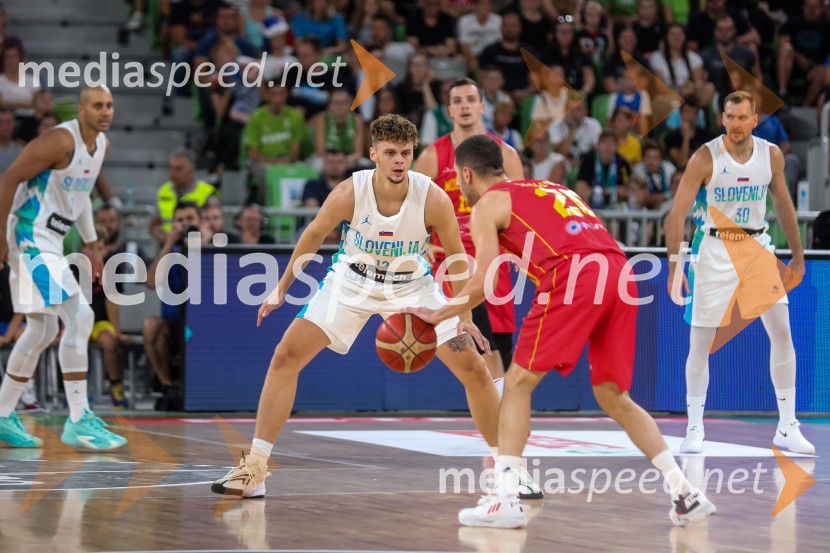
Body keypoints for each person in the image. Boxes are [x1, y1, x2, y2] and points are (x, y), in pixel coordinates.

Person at [211, 114, 536, 499]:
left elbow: (457, 256)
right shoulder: (351, 191)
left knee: (475, 370)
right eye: (390, 153)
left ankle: (510, 470)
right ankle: (256, 469)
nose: (399, 160)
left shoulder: (431, 196)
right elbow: (313, 234)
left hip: (412, 284)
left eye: (405, 153)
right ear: (373, 154)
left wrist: (464, 313)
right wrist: (282, 288)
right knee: (285, 355)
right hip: (352, 280)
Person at [408, 134, 716, 528]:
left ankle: (505, 498)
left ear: (466, 174)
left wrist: (443, 312)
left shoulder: (488, 203)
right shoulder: (552, 186)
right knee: (614, 395)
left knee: (516, 383)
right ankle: (685, 492)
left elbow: (484, 278)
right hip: (620, 272)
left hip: (575, 275)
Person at [665, 91, 814, 456]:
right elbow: (677, 213)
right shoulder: (705, 156)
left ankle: (786, 425)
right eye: (729, 117)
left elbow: (782, 202)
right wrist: (675, 264)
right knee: (701, 341)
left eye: (741, 117)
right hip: (713, 248)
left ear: (755, 118)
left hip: (758, 247)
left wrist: (797, 253)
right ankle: (695, 428)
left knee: (781, 331)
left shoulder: (771, 155)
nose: (735, 124)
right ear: (723, 119)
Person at [0, 85, 127, 450]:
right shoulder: (59, 141)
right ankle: (78, 418)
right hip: (28, 236)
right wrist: (0, 239)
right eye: (98, 106)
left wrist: (91, 244)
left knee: (42, 329)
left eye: (110, 105)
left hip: (51, 241)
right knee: (81, 316)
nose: (106, 111)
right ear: (81, 110)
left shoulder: (100, 145)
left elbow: (81, 195)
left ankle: (4, 413)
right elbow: (8, 179)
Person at [413, 78, 525, 385]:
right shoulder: (432, 155)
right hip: (453, 262)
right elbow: (412, 206)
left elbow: (522, 207)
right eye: (457, 101)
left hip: (494, 255)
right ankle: (497, 412)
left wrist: (518, 251)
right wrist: (421, 244)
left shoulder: (506, 153)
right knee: (475, 342)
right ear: (449, 110)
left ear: (481, 106)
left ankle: (501, 410)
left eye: (469, 100)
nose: (464, 106)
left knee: (501, 343)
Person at [94, 206, 148, 408]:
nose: (97, 253)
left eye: (100, 248)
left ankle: (116, 385)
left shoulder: (110, 267)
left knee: (109, 342)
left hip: (100, 322)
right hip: (76, 321)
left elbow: (112, 300)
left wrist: (116, 331)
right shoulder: (74, 267)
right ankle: (73, 391)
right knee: (71, 342)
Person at [149, 148, 218, 244]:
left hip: (200, 245)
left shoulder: (207, 193)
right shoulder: (163, 191)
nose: (172, 173)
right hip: (168, 247)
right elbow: (154, 225)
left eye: (178, 169)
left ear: (191, 170)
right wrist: (165, 237)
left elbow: (215, 225)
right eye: (170, 168)